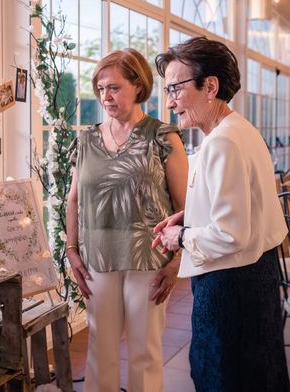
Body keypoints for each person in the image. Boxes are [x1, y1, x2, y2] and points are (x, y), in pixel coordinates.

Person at [152, 37, 290, 391]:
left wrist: (179, 237)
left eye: (175, 89)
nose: (169, 102)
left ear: (209, 86)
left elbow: (231, 234)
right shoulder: (236, 130)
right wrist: (188, 215)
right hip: (254, 277)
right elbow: (245, 203)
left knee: (223, 376)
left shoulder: (223, 142)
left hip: (231, 287)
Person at [65, 48, 188, 392]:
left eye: (114, 87)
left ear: (138, 86)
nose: (106, 96)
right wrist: (71, 250)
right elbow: (74, 198)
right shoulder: (86, 140)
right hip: (97, 260)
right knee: (99, 351)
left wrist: (176, 260)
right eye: (100, 88)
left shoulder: (164, 137)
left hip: (149, 259)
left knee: (144, 352)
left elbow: (186, 206)